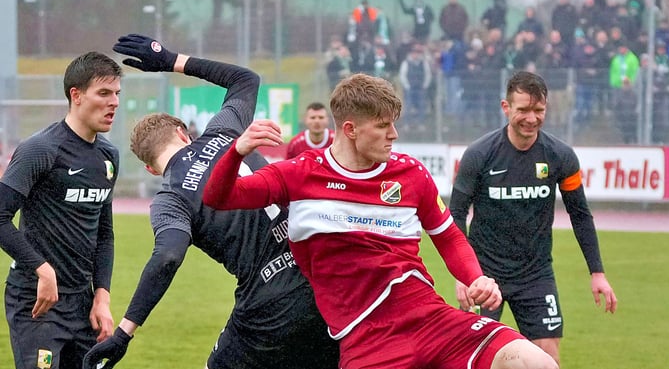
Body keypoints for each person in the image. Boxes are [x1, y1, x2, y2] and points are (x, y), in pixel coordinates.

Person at [200, 73, 557, 369]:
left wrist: (474, 277)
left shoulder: (411, 174)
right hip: (367, 340)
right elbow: (218, 197)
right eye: (383, 125)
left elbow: (449, 237)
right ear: (351, 129)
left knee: (536, 363)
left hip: (431, 320)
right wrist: (237, 151)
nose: (394, 135)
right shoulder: (298, 176)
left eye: (394, 125)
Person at [82, 35, 337, 369]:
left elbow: (169, 256)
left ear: (150, 167)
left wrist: (124, 333)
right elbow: (246, 79)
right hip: (324, 282)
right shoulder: (222, 132)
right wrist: (170, 60)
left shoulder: (170, 198)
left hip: (268, 304)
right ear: (184, 133)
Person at [450, 70, 618, 365]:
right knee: (476, 357)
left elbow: (580, 214)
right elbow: (456, 214)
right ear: (506, 108)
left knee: (546, 357)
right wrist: (464, 275)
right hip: (484, 275)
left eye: (538, 110)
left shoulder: (560, 156)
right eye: (523, 110)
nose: (531, 118)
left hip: (535, 275)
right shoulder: (479, 155)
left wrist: (598, 273)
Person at [0, 52, 122, 369]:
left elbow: (104, 234)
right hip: (37, 302)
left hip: (84, 305)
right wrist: (43, 269)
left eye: (117, 94)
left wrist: (102, 297)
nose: (114, 103)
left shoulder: (109, 157)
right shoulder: (40, 149)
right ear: (76, 95)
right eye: (104, 93)